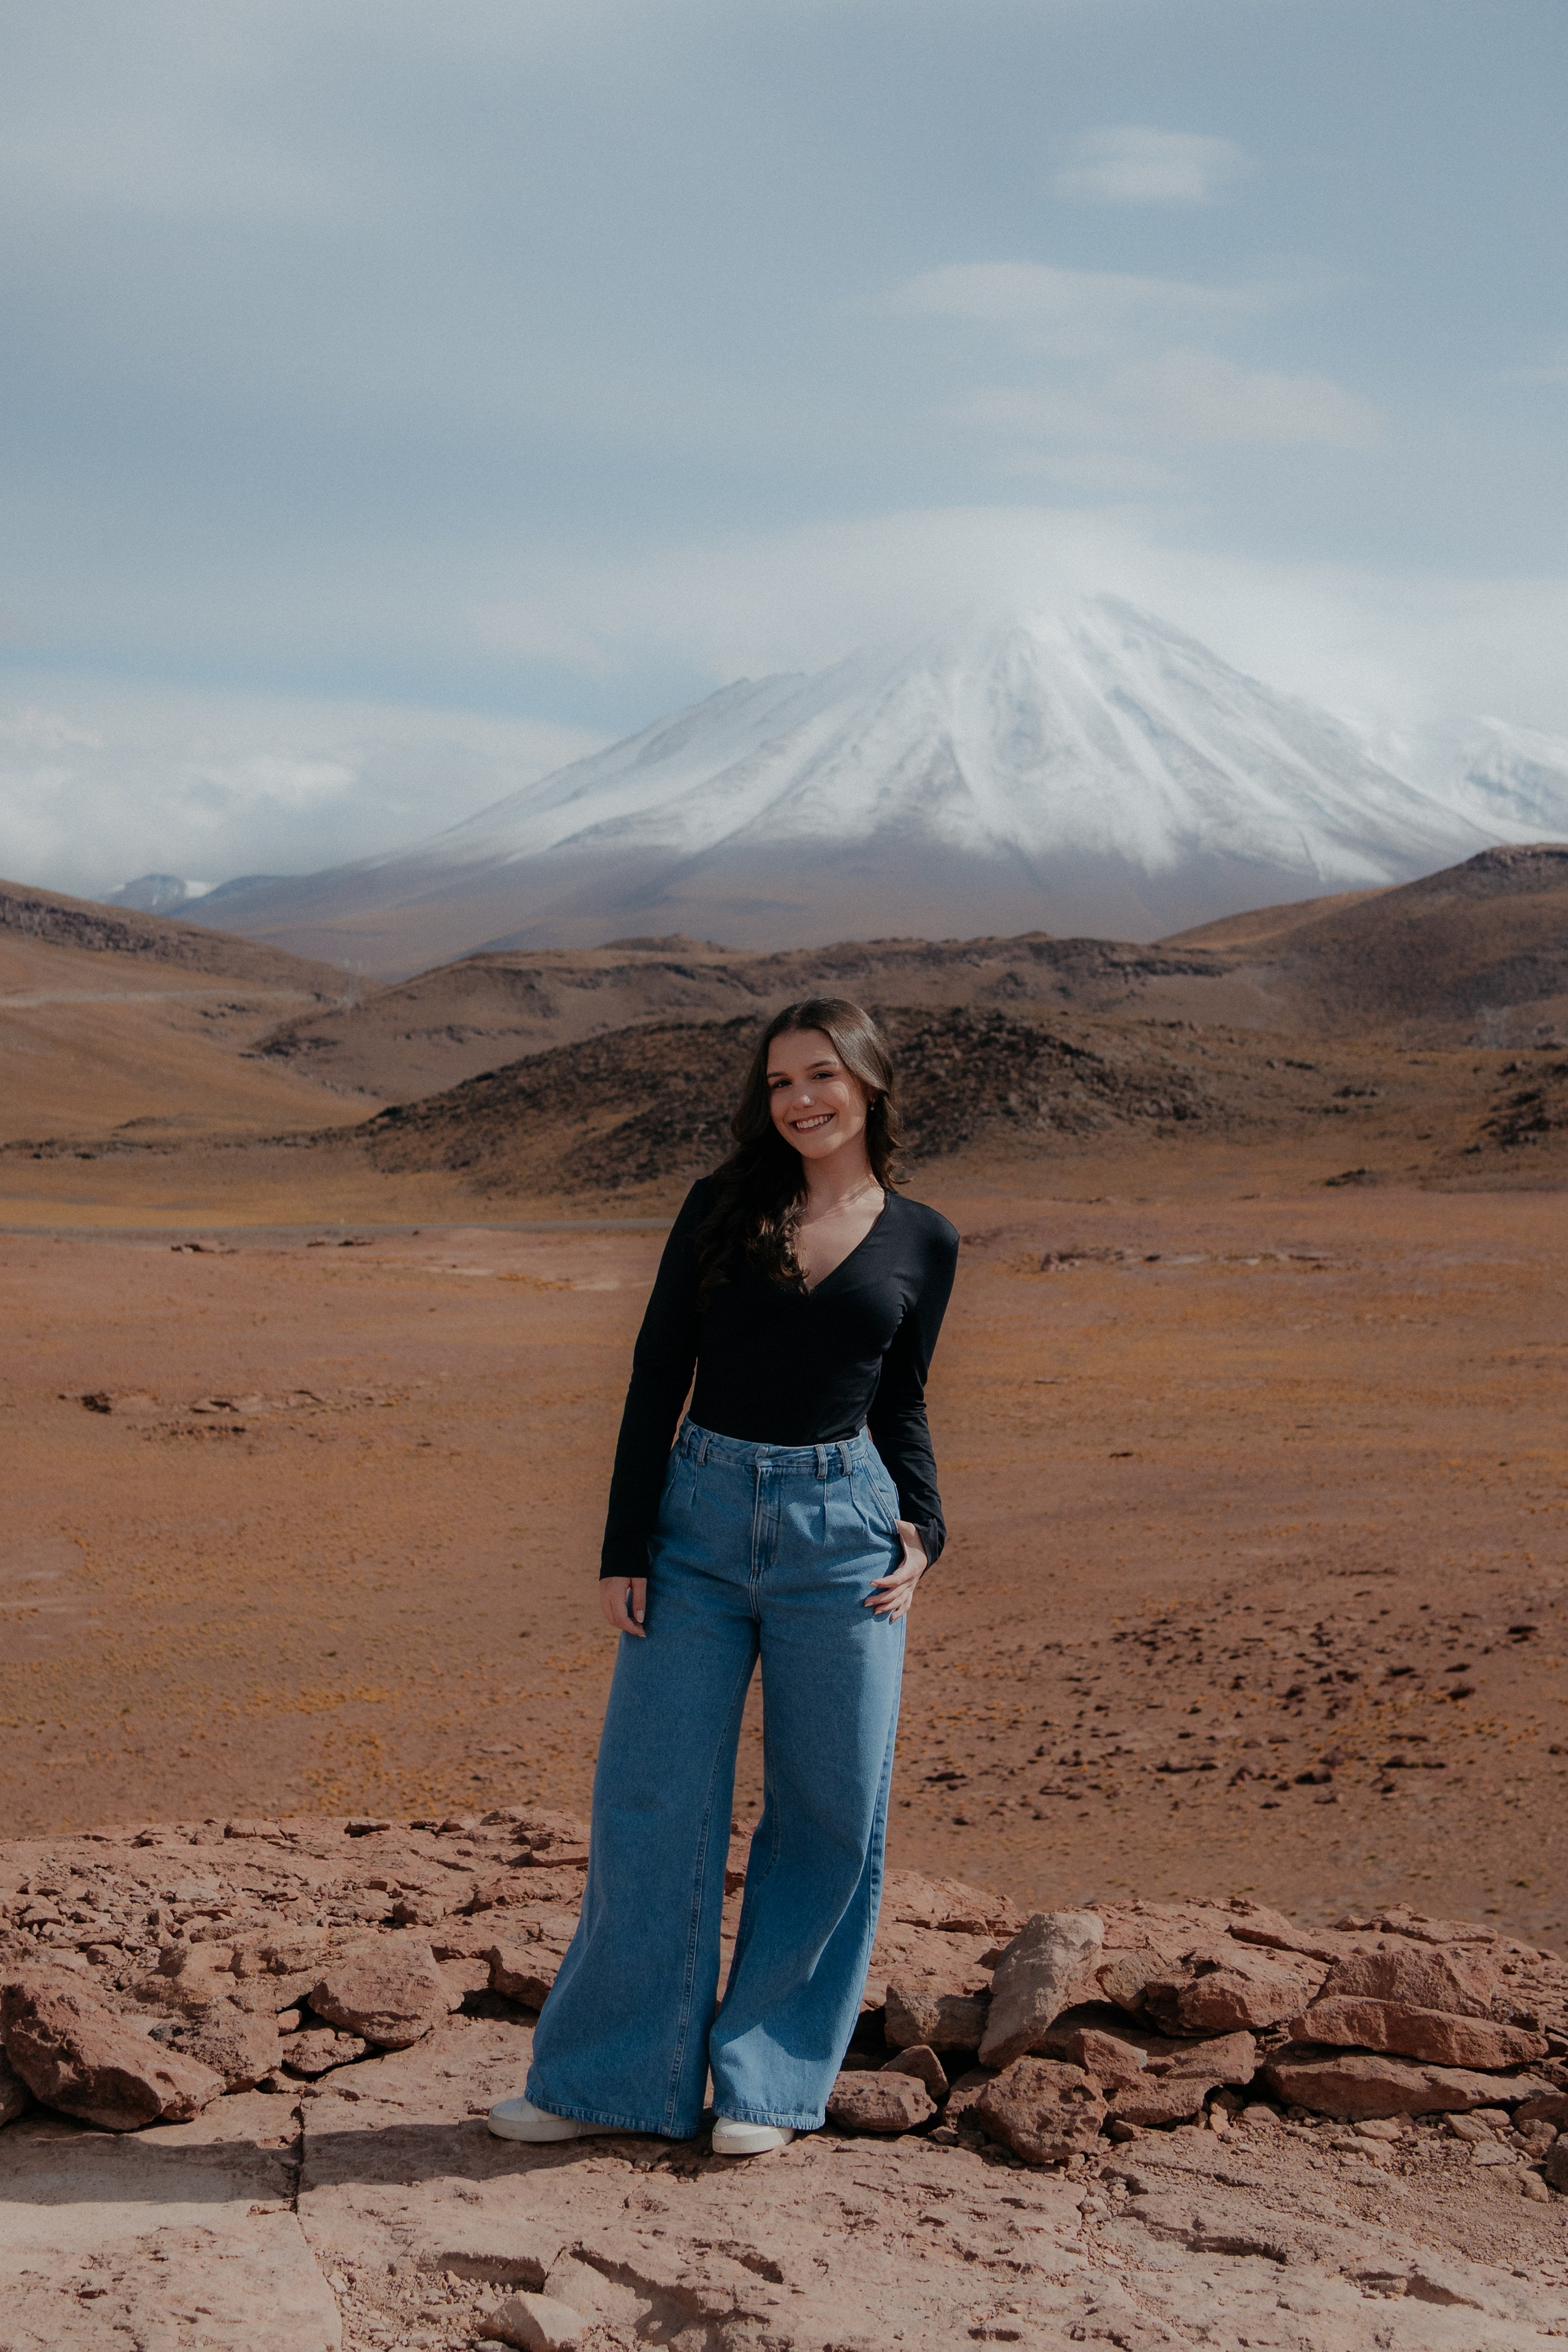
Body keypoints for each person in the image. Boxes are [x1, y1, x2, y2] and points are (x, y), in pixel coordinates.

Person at [487, 997, 959, 2155]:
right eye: (781, 1081)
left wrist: (927, 1530)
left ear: (869, 1083)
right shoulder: (721, 1206)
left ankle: (768, 2084)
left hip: (845, 1534)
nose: (800, 1100)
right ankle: (606, 2082)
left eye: (822, 1076)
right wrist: (624, 1546)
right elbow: (658, 1372)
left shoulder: (923, 1238)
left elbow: (901, 1397)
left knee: (830, 1810)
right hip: (696, 1521)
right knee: (651, 1799)